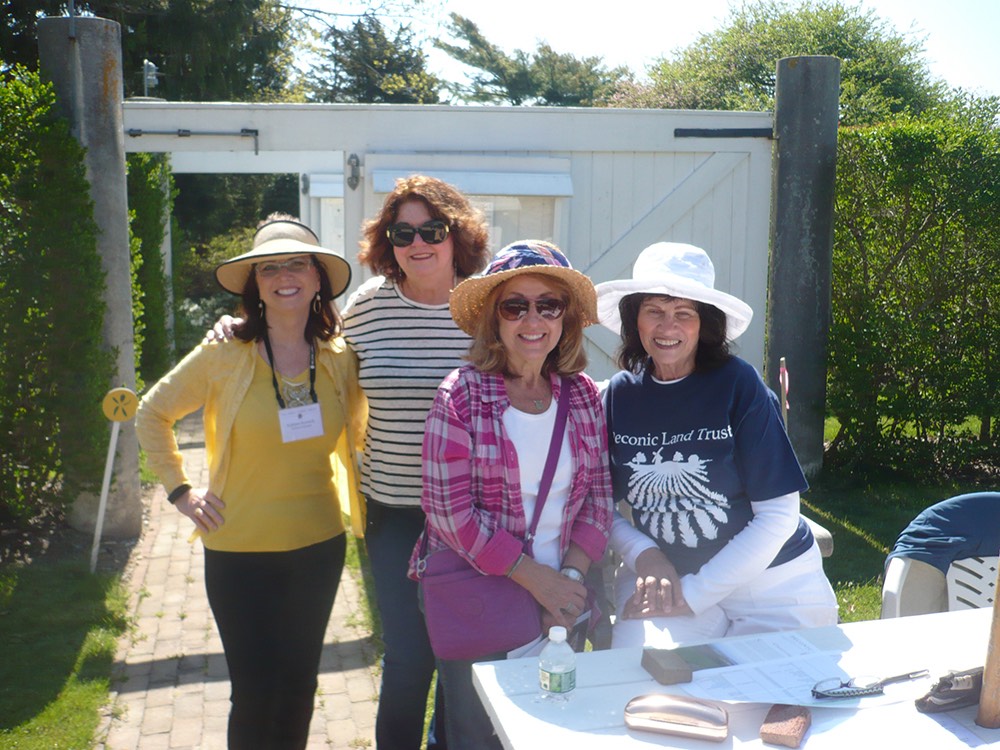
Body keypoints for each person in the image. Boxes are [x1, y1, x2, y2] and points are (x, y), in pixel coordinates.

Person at [209, 182, 490, 750]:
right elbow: (299, 341)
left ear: (456, 236)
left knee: (464, 658)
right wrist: (233, 332)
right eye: (402, 232)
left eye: (432, 230)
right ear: (388, 243)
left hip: (476, 514)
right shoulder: (368, 307)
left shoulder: (486, 309)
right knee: (409, 657)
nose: (418, 243)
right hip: (393, 510)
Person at [136, 217, 366, 749]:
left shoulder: (339, 358)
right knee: (254, 690)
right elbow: (151, 413)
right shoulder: (224, 353)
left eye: (297, 264)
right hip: (237, 548)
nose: (284, 276)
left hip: (317, 547)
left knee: (298, 685)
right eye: (270, 268)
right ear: (255, 283)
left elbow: (366, 433)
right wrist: (180, 491)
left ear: (317, 279)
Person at [412, 240, 613, 749]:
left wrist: (567, 584)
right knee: (476, 736)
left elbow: (599, 500)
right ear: (494, 320)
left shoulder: (584, 395)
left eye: (549, 304)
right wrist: (536, 581)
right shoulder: (460, 395)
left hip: (561, 603)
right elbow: (448, 512)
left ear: (565, 319)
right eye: (515, 305)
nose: (533, 319)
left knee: (553, 731)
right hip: (482, 601)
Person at [594, 242, 838, 648]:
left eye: (683, 314)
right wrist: (643, 554)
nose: (667, 327)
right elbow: (597, 503)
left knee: (778, 702)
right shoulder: (617, 397)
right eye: (654, 310)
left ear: (704, 324)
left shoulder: (739, 386)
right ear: (634, 318)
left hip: (774, 586)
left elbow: (778, 516)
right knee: (648, 693)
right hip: (666, 581)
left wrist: (695, 595)